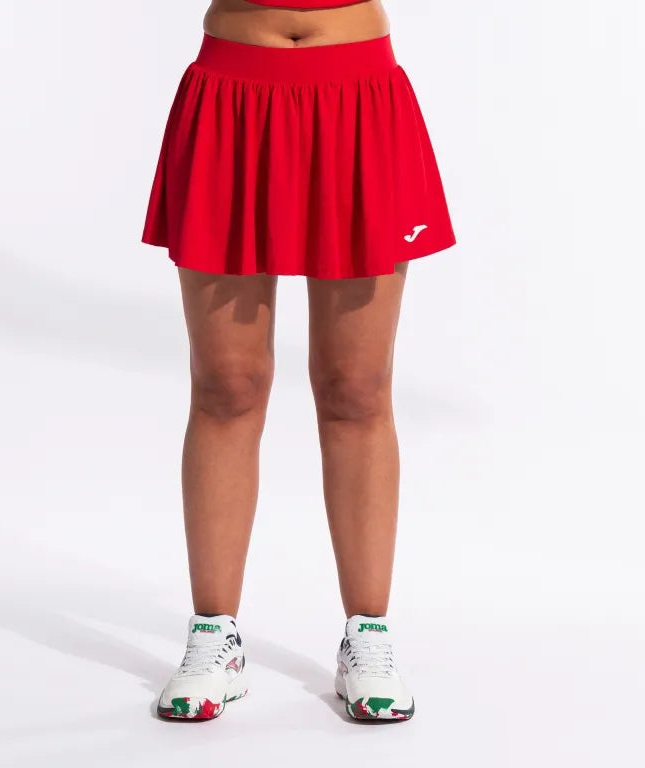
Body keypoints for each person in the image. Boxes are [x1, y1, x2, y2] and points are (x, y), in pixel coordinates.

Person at [141, 0, 455, 722]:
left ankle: (368, 634)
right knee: (227, 385)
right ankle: (214, 637)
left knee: (356, 388)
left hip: (356, 96)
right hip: (233, 94)